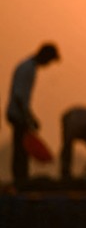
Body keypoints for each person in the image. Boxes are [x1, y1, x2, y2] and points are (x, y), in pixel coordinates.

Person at [5, 43, 60, 185]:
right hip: (18, 114)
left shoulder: (30, 68)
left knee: (22, 148)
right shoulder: (27, 69)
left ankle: (21, 177)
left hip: (19, 113)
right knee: (21, 149)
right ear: (45, 56)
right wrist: (29, 118)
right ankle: (20, 180)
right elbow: (19, 97)